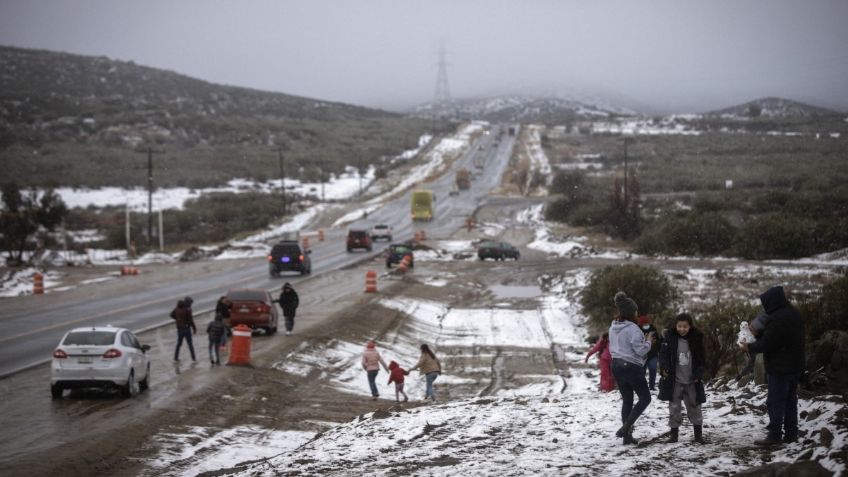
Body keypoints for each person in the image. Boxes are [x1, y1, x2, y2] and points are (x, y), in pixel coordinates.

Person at [742, 286, 805, 446]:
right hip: (795, 365)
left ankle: (774, 435)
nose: (765, 307)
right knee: (791, 400)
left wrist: (748, 347)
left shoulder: (777, 318)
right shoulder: (793, 313)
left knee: (775, 402)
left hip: (780, 368)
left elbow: (768, 344)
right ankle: (791, 434)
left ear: (772, 301)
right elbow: (779, 338)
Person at [609, 291, 653, 445]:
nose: (637, 313)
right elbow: (640, 350)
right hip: (631, 367)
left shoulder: (613, 326)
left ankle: (627, 438)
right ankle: (626, 427)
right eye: (635, 310)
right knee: (645, 398)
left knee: (627, 400)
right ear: (630, 312)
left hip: (616, 365)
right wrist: (648, 341)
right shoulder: (633, 329)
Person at [658, 313, 707, 444]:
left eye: (685, 326)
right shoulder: (670, 339)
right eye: (679, 326)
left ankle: (698, 436)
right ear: (676, 326)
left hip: (692, 381)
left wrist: (698, 374)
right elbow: (663, 355)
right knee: (674, 408)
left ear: (690, 326)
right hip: (675, 381)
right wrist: (663, 368)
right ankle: (674, 436)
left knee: (694, 406)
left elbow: (702, 360)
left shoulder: (696, 339)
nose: (682, 329)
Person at [736, 311, 769, 380]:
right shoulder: (744, 333)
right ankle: (743, 376)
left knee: (754, 362)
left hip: (753, 347)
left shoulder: (745, 332)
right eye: (743, 326)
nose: (744, 327)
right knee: (753, 362)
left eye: (746, 325)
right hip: (752, 348)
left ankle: (744, 376)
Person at [170, 296, 197, 362]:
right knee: (190, 344)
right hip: (186, 329)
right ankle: (193, 358)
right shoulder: (188, 309)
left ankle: (176, 357)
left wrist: (178, 320)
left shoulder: (177, 307)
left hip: (180, 329)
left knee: (179, 344)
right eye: (190, 303)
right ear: (188, 303)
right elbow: (190, 320)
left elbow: (171, 314)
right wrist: (194, 328)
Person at [639, 315, 660, 391]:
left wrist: (655, 342)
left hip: (653, 354)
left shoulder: (654, 330)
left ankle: (651, 386)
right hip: (642, 355)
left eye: (646, 323)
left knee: (653, 370)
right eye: (643, 324)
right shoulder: (637, 331)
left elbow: (659, 341)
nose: (645, 325)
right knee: (642, 372)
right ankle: (642, 387)